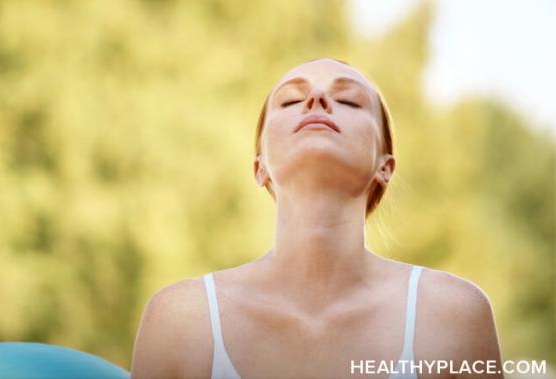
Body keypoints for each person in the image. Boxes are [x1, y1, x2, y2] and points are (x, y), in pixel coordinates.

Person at [130, 58, 503, 378]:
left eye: (348, 101)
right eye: (292, 99)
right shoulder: (180, 322)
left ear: (384, 167)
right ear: (260, 167)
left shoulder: (454, 316)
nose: (317, 100)